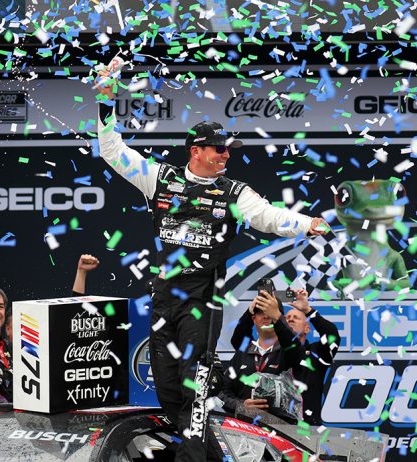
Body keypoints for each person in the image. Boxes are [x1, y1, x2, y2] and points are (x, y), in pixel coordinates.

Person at [96, 61, 329, 461]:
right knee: (169, 392)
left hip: (202, 301)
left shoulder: (235, 192)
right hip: (164, 298)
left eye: (228, 150)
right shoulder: (160, 178)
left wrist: (307, 223)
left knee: (195, 389)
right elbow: (111, 150)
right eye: (219, 149)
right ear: (197, 151)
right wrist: (105, 99)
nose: (226, 155)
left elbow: (267, 216)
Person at [220, 291, 304, 420]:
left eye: (270, 311)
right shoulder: (242, 353)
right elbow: (222, 392)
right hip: (245, 428)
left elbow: (292, 344)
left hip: (283, 428)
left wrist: (276, 316)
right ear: (253, 319)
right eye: (260, 312)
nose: (266, 316)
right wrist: (241, 406)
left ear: (279, 317)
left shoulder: (290, 351)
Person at [284, 289, 340, 426]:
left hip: (308, 427)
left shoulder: (317, 353)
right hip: (276, 426)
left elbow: (332, 335)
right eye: (287, 318)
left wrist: (308, 310)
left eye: (296, 317)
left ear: (307, 329)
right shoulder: (273, 353)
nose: (290, 319)